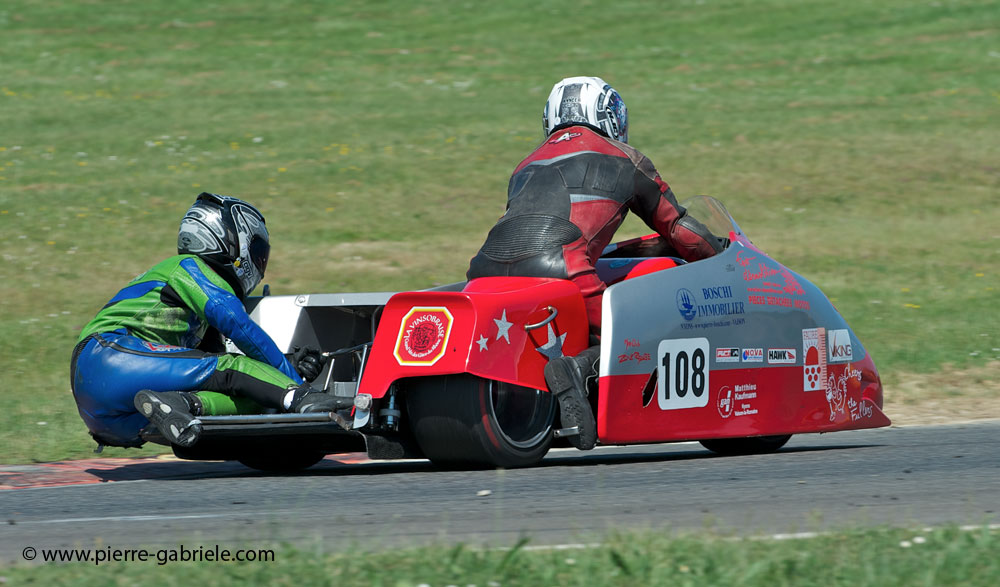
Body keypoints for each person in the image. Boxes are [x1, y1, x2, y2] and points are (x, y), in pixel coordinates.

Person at [467, 76, 723, 451]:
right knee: (642, 335)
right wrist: (721, 256)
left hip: (484, 272)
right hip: (564, 269)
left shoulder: (525, 165)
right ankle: (574, 370)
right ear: (607, 115)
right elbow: (677, 228)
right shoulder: (625, 158)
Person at [70, 192, 346, 450]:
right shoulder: (188, 268)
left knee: (256, 397)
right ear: (231, 242)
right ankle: (304, 401)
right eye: (258, 251)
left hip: (111, 414)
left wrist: (278, 377)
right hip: (107, 355)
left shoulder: (190, 301)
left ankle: (181, 404)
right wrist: (296, 384)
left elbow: (228, 374)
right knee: (234, 369)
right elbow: (239, 329)